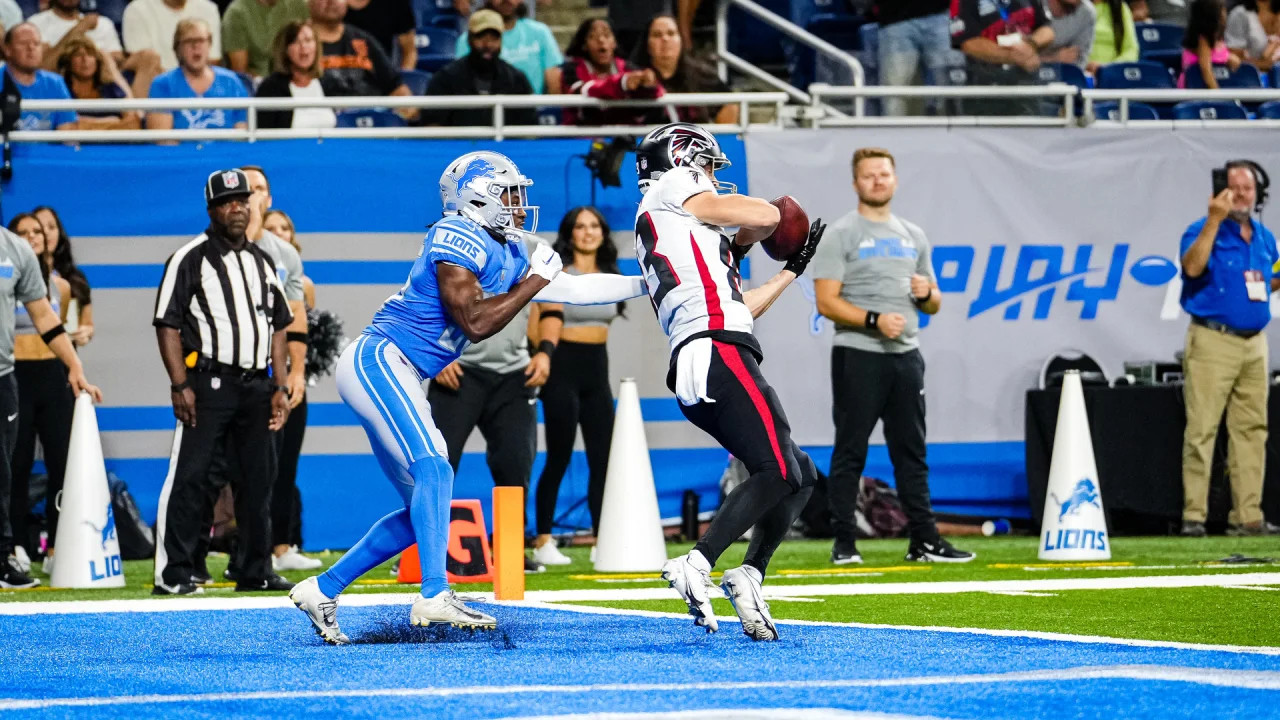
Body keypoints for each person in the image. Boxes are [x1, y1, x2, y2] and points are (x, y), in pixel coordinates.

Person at [286, 151, 645, 644]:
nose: (519, 204)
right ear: (476, 196)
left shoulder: (510, 246)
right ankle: (435, 592)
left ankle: (322, 589)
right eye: (509, 193)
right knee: (436, 465)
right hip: (381, 359)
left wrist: (651, 284)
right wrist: (537, 281)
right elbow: (475, 323)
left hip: (403, 372)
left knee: (423, 511)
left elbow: (578, 289)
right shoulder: (455, 234)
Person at [633, 123, 824, 642]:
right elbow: (768, 215)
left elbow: (742, 304)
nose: (716, 181)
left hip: (714, 348)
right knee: (780, 469)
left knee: (799, 474)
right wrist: (772, 220)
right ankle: (698, 561)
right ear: (685, 161)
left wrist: (791, 270)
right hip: (714, 347)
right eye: (710, 168)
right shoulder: (673, 190)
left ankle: (749, 573)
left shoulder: (685, 232)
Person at [809, 148, 975, 566]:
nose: (878, 181)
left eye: (884, 174)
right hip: (858, 354)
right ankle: (844, 543)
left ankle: (925, 541)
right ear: (856, 184)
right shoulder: (841, 233)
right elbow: (826, 302)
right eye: (869, 175)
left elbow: (934, 302)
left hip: (906, 356)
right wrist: (872, 319)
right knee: (850, 451)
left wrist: (928, 294)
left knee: (911, 452)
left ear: (895, 180)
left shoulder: (913, 235)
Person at [152, 168, 294, 596]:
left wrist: (280, 386)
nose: (237, 207)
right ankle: (174, 571)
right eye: (227, 202)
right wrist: (180, 385)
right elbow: (167, 323)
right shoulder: (189, 257)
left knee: (257, 479)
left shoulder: (263, 260)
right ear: (212, 209)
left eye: (242, 200)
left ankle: (254, 568)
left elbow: (280, 325)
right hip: (209, 382)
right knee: (191, 476)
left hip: (255, 386)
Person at [1179, 160, 1277, 538]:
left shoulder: (1264, 238)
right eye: (1233, 187)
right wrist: (1213, 220)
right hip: (1212, 340)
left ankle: (1248, 515)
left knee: (1252, 430)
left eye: (1247, 188)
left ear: (1259, 194)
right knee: (1202, 429)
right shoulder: (1201, 231)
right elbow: (1192, 267)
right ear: (1220, 191)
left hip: (1255, 344)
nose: (1240, 194)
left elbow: (1267, 280)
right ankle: (1194, 516)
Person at [0, 217, 100, 589]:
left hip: (3, 376)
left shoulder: (14, 249)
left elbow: (43, 315)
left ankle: (3, 558)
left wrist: (74, 365)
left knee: (5, 472)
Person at [427, 304, 558, 574]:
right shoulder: (450, 262)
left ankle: (510, 550)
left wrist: (545, 354)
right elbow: (424, 306)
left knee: (516, 463)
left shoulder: (531, 264)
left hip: (514, 375)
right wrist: (434, 354)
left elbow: (553, 306)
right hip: (458, 370)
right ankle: (419, 551)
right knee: (436, 464)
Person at [531, 207, 624, 565]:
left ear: (603, 232)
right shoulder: (558, 274)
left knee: (603, 460)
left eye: (595, 226)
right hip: (561, 368)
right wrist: (538, 357)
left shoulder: (611, 276)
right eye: (580, 227)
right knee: (559, 455)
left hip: (597, 369)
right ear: (570, 234)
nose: (588, 232)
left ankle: (604, 538)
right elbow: (538, 321)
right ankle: (543, 541)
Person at [6, 213, 71, 578]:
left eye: (38, 230)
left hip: (52, 376)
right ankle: (13, 542)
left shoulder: (61, 287)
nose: (33, 236)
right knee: (15, 464)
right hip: (15, 373)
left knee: (61, 465)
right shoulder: (8, 272)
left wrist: (75, 366)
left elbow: (61, 329)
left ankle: (58, 544)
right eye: (23, 232)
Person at [422, 10, 535, 127]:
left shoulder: (516, 79)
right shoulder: (445, 78)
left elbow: (528, 128)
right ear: (469, 39)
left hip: (505, 145)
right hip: (458, 144)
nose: (488, 45)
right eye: (481, 37)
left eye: (494, 38)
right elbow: (432, 125)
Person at [548, 17, 661, 126]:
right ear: (584, 45)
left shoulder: (627, 68)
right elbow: (584, 103)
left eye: (606, 35)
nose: (601, 40)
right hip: (581, 139)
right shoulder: (571, 70)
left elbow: (644, 107)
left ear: (614, 43)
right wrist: (622, 84)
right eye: (593, 36)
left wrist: (648, 86)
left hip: (625, 138)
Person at [951, 0, 1055, 116]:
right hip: (983, 86)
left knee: (1030, 131)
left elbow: (1048, 30)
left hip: (1026, 83)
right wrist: (1013, 56)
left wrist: (1031, 45)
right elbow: (968, 43)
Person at [631, 14, 737, 125]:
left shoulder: (700, 73)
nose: (665, 39)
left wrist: (722, 137)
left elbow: (729, 102)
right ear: (647, 44)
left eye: (671, 33)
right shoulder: (636, 77)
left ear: (681, 40)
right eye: (657, 35)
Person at [147, 19, 250, 131]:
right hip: (181, 149)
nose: (196, 46)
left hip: (225, 148)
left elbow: (242, 135)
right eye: (189, 41)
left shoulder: (231, 82)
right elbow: (163, 140)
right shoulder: (163, 84)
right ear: (178, 48)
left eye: (201, 40)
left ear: (209, 44)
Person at [309, 0, 412, 109]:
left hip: (371, 117)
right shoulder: (300, 44)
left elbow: (396, 87)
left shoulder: (362, 40)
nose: (332, 2)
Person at [452, 0, 561, 94]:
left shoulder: (540, 32)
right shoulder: (468, 39)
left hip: (531, 111)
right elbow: (461, 81)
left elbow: (554, 80)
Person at [871, 1, 952, 117]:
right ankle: (892, 133)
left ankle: (951, 133)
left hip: (940, 16)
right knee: (893, 92)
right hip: (894, 20)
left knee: (948, 88)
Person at [255, 21, 339, 130]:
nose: (303, 47)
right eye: (295, 42)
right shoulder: (271, 88)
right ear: (285, 49)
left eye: (308, 40)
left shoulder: (328, 82)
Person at [32, 206, 93, 348]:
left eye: (52, 227)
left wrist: (86, 332)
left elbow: (88, 324)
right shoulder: (20, 278)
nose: (46, 232)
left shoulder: (75, 278)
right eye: (40, 228)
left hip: (64, 361)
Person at [4, 24, 79, 131]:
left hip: (46, 148)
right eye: (23, 43)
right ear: (8, 50)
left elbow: (68, 134)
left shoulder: (55, 83)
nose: (31, 48)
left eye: (36, 43)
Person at [57, 39, 143, 130]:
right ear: (67, 62)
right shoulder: (61, 89)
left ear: (97, 60)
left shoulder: (110, 87)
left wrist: (89, 126)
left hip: (114, 143)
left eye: (90, 54)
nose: (85, 60)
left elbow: (134, 122)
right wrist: (113, 121)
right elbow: (69, 126)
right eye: (78, 55)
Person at [122, 0, 223, 72]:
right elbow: (145, 65)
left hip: (201, 87)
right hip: (157, 89)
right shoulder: (137, 9)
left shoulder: (209, 9)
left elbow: (213, 60)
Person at [221, 0, 309, 80]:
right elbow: (240, 71)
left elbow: (311, 47)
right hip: (255, 86)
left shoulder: (298, 5)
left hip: (296, 81)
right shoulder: (236, 13)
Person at [343, 0, 416, 71]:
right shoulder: (333, 7)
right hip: (338, 75)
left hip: (382, 76)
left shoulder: (395, 3)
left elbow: (409, 52)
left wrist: (404, 79)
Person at [1180, 0, 1238, 88]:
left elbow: (1219, 58)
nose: (1225, 13)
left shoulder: (1218, 39)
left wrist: (1229, 59)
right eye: (1222, 10)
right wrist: (1220, 97)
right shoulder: (1202, 41)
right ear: (1213, 16)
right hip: (1198, 89)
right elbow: (1206, 72)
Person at [1087, 0, 1140, 74]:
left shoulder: (1121, 8)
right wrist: (1086, 65)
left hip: (1113, 72)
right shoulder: (1076, 7)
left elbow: (1131, 50)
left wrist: (1107, 67)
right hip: (1081, 72)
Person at [1226, 0, 1280, 73]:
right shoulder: (1241, 14)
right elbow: (1234, 59)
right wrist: (1265, 64)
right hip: (1251, 78)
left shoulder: (1277, 14)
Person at [1042, 0, 1098, 69]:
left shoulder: (1086, 11)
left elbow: (1077, 62)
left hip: (1059, 75)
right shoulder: (1029, 4)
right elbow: (1025, 57)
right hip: (1028, 75)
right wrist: (1053, 58)